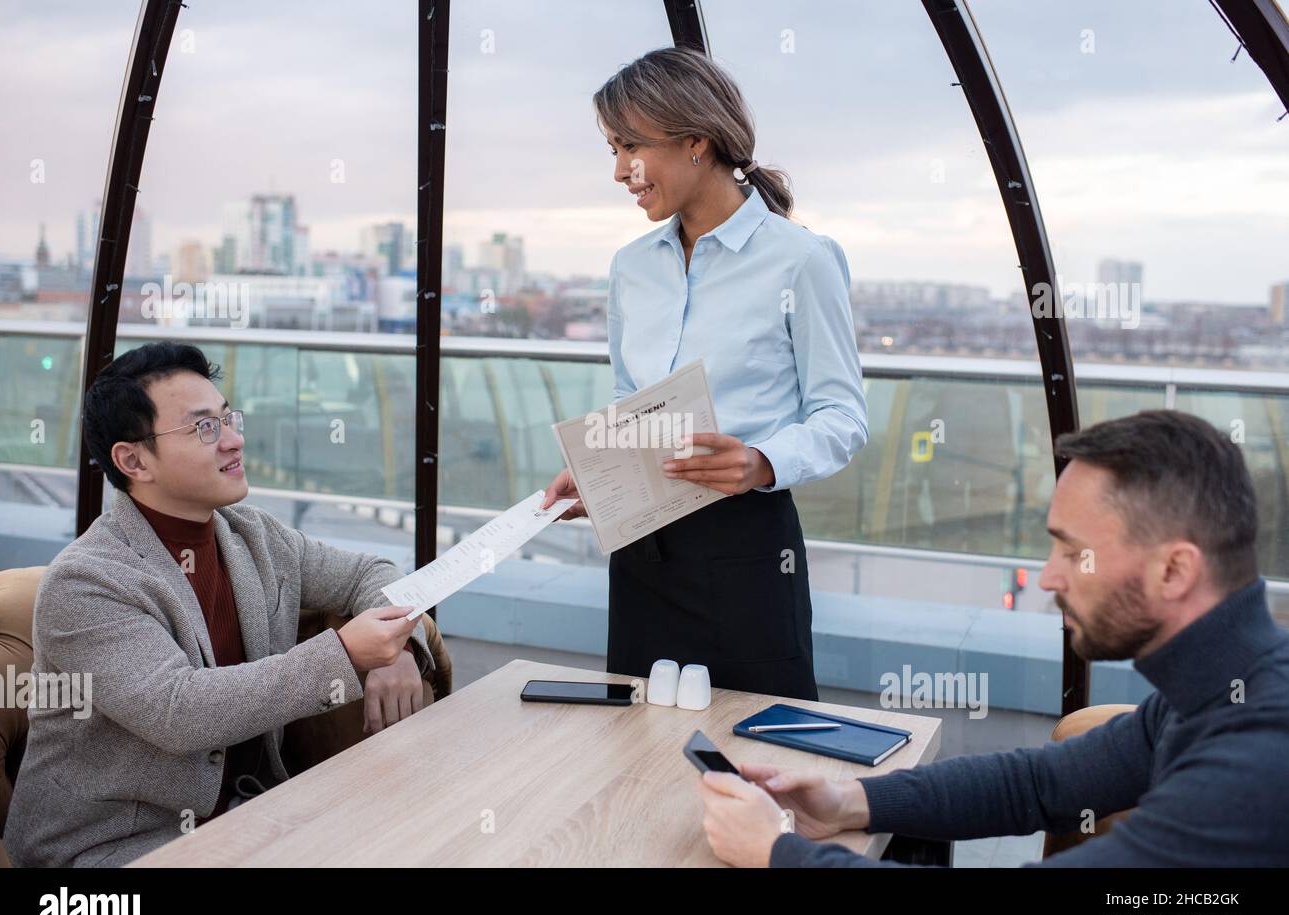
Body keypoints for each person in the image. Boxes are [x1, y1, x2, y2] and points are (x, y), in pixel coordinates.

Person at [696, 410, 1289, 866]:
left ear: (1174, 571)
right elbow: (1043, 783)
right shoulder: (1213, 688)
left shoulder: (1256, 765)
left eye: (1073, 551)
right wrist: (849, 801)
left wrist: (777, 851)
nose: (1050, 575)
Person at [5, 342, 437, 867]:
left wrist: (402, 650)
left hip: (253, 817)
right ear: (133, 459)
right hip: (112, 851)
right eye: (204, 427)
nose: (234, 440)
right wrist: (347, 655)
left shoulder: (253, 536)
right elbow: (180, 711)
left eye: (228, 417)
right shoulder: (87, 581)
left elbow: (372, 573)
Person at [542, 46, 868, 699]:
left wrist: (761, 460)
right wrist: (601, 475)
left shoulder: (800, 260)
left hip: (746, 551)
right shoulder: (631, 267)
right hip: (641, 552)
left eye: (629, 147)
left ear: (695, 142)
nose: (618, 171)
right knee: (634, 749)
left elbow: (843, 417)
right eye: (611, 149)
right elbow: (629, 402)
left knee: (759, 753)